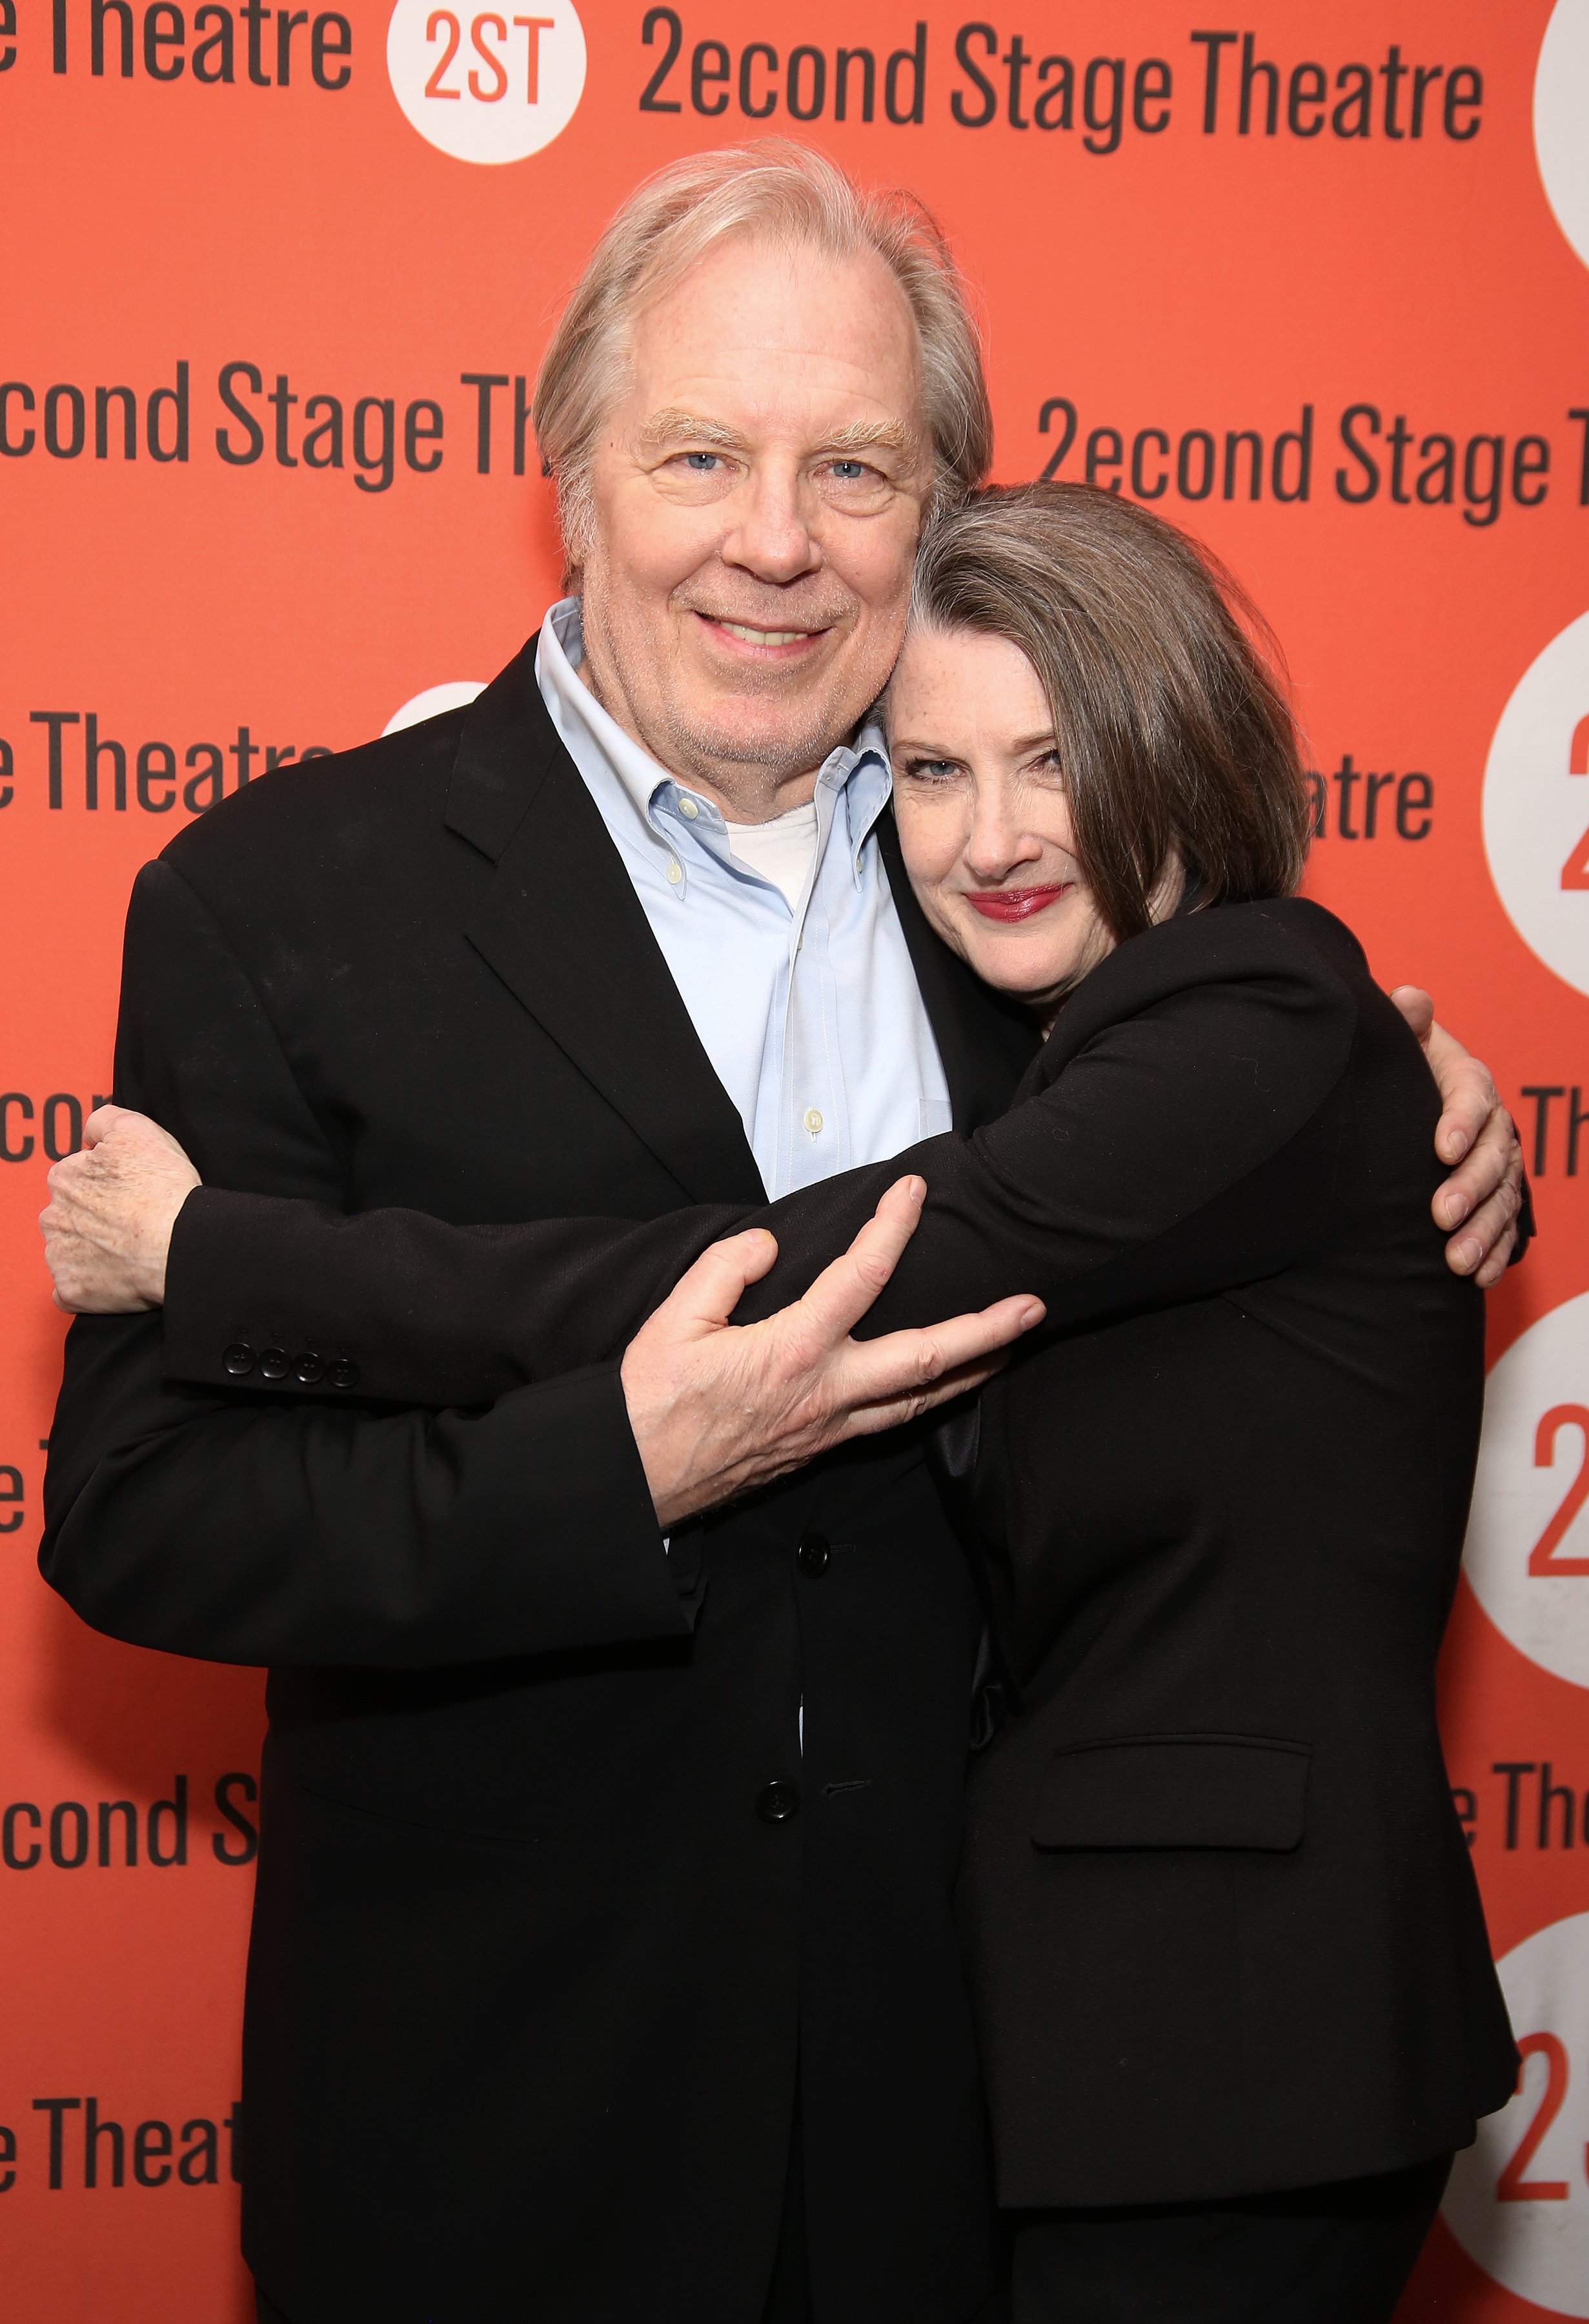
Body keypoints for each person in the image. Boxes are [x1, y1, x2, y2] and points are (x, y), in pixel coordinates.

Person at [38, 148, 1522, 2324]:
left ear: (945, 513)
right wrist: (614, 1473)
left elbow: (1209, 1137)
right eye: (702, 455)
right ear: (570, 474)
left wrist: (1403, 1075)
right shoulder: (277, 899)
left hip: (996, 2093)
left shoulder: (1024, 890)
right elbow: (148, 1515)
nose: (775, 539)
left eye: (857, 469)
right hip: (503, 2110)